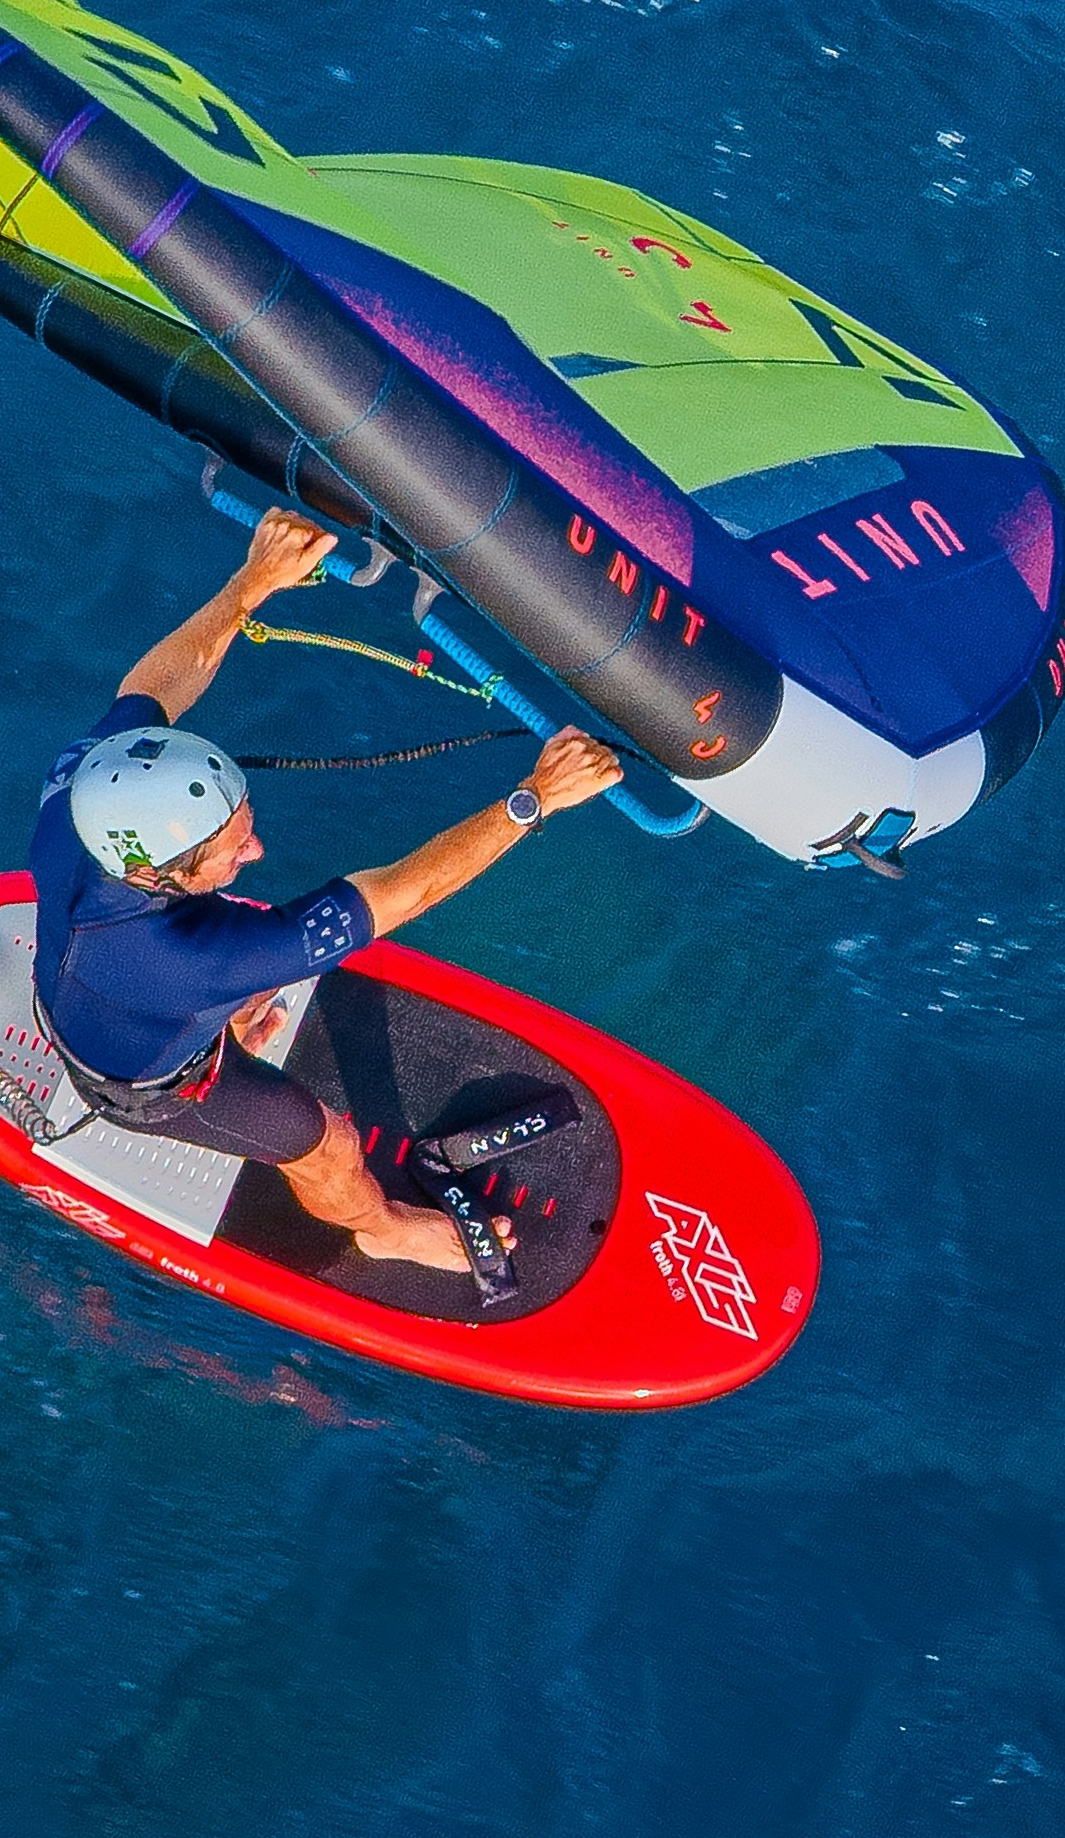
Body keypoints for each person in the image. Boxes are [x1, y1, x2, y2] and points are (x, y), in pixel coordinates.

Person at [32, 506, 628, 1275]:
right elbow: (402, 892)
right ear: (155, 872)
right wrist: (536, 797)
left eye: (241, 820)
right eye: (229, 850)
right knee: (328, 1144)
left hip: (99, 983)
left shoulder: (82, 786)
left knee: (217, 976)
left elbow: (150, 691)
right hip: (152, 1081)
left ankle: (206, 1029)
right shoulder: (199, 957)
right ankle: (381, 1227)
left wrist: (251, 583)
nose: (256, 848)